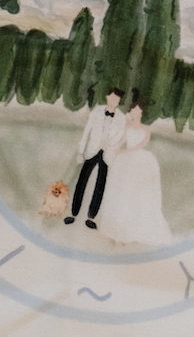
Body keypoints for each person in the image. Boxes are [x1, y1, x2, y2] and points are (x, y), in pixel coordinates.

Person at [96, 96, 171, 246]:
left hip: (139, 160)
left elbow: (141, 145)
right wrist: (112, 146)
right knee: (122, 193)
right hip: (125, 160)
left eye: (138, 111)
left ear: (142, 113)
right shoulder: (127, 127)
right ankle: (118, 231)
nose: (135, 113)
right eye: (133, 111)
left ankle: (134, 230)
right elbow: (121, 141)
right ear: (131, 112)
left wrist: (125, 152)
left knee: (137, 193)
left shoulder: (146, 129)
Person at [66, 88, 128, 228]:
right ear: (107, 97)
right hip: (92, 150)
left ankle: (91, 217)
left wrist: (109, 144)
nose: (113, 101)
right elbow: (87, 130)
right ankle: (73, 213)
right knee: (82, 181)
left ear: (119, 101)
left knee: (100, 184)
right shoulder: (97, 111)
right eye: (111, 98)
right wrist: (80, 152)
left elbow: (120, 136)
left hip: (107, 154)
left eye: (116, 99)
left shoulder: (121, 118)